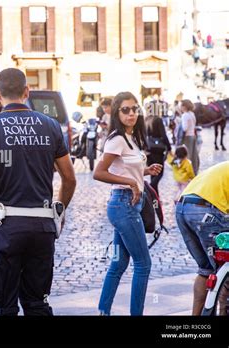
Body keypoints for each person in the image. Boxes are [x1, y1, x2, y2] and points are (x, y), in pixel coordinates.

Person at [0, 68, 77, 316]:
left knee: (3, 306)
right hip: (41, 225)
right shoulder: (50, 126)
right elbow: (69, 178)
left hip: (6, 225)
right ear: (26, 92)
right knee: (37, 303)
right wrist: (59, 208)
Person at [93, 91, 162, 316]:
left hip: (130, 204)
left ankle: (103, 311)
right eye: (125, 110)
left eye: (134, 109)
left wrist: (144, 171)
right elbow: (99, 173)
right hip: (123, 205)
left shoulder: (130, 137)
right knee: (143, 264)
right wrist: (132, 182)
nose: (131, 113)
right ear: (116, 112)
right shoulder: (116, 139)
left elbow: (124, 168)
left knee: (118, 265)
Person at [176, 161, 229, 315]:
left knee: (206, 268)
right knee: (224, 266)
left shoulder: (223, 167)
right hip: (205, 211)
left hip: (182, 208)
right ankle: (223, 311)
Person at [144, 106, 171, 194]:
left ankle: (155, 197)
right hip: (158, 149)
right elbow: (163, 135)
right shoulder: (157, 120)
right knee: (159, 172)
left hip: (148, 148)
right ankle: (149, 188)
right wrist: (169, 147)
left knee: (153, 173)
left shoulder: (146, 119)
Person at [180, 100, 199, 174]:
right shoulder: (192, 114)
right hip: (193, 136)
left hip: (187, 137)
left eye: (181, 106)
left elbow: (184, 128)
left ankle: (187, 172)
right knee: (194, 156)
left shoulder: (185, 115)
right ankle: (194, 171)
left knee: (187, 156)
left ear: (184, 106)